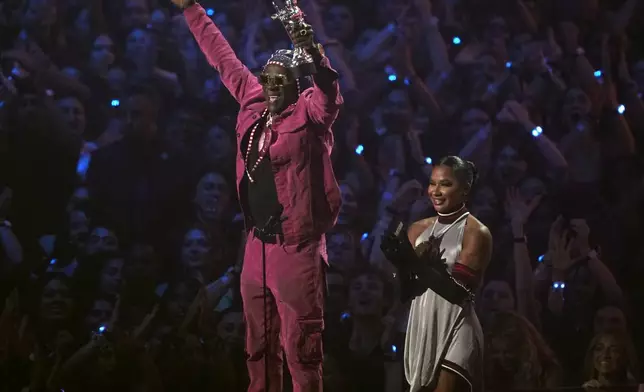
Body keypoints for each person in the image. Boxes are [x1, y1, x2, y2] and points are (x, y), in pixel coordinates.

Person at [171, 1, 343, 391]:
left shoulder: (310, 115)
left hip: (296, 246)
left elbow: (329, 90)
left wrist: (308, 43)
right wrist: (191, 10)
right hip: (256, 244)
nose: (271, 86)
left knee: (301, 351)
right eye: (267, 78)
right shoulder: (252, 102)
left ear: (296, 86)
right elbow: (222, 58)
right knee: (258, 347)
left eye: (281, 80)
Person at [383, 156, 492, 392]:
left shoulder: (476, 232)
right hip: (421, 325)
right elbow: (406, 292)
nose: (436, 191)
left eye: (446, 184)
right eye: (433, 183)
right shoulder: (417, 228)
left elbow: (458, 292)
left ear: (465, 190)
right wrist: (400, 264)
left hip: (457, 325)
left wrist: (414, 263)